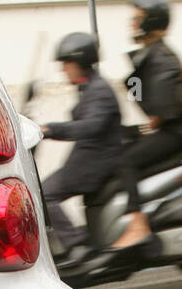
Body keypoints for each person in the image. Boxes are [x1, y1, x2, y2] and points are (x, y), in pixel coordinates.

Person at [107, 0, 182, 258]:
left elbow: (162, 107)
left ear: (151, 21)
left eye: (137, 18)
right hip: (174, 128)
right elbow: (153, 102)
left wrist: (150, 119)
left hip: (180, 132)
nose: (132, 23)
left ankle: (138, 224)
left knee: (125, 161)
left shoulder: (160, 56)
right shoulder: (153, 53)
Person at [38, 32, 123, 255]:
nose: (63, 69)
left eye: (66, 63)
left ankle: (76, 246)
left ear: (81, 62)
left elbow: (90, 126)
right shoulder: (89, 87)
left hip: (96, 162)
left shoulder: (99, 90)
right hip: (88, 159)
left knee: (44, 194)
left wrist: (50, 130)